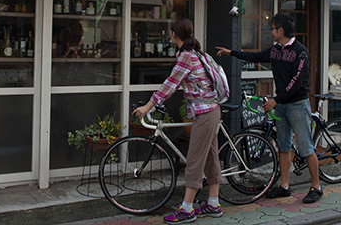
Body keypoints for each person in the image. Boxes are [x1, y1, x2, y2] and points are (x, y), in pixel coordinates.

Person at [216, 12, 319, 204]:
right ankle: (285, 186)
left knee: (306, 148)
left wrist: (275, 99)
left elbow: (296, 83)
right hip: (281, 106)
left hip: (297, 105)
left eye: (272, 28)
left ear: (280, 30)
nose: (270, 32)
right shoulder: (275, 50)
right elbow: (255, 56)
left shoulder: (300, 52)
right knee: (283, 146)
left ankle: (316, 187)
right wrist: (231, 52)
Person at [130, 19, 223, 224]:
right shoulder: (197, 53)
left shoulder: (187, 57)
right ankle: (214, 203)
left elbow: (170, 85)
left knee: (195, 160)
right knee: (209, 158)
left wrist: (148, 106)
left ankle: (187, 209)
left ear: (174, 35)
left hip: (205, 113)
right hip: (210, 110)